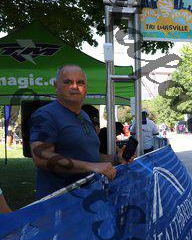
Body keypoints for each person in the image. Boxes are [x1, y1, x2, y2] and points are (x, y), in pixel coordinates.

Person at [29, 65, 131, 199]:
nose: (74, 86)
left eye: (80, 82)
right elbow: (41, 158)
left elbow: (89, 156)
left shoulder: (84, 115)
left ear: (86, 88)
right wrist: (91, 167)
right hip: (59, 203)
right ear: (56, 86)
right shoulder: (46, 115)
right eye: (68, 82)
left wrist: (116, 159)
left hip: (88, 199)